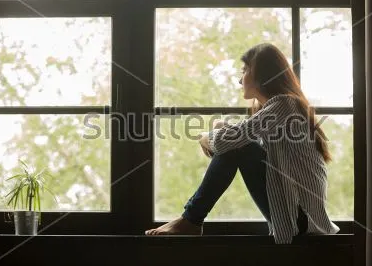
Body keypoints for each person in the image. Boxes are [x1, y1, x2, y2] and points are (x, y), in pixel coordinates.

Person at [145, 43, 340, 243]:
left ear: (263, 75)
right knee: (236, 142)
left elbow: (225, 143)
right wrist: (221, 129)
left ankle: (191, 220)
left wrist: (204, 137)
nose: (240, 80)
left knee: (237, 145)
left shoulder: (284, 104)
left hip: (302, 222)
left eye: (245, 70)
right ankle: (190, 220)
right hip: (295, 219)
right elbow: (238, 138)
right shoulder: (281, 107)